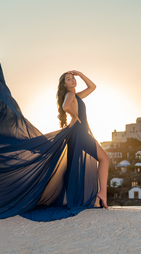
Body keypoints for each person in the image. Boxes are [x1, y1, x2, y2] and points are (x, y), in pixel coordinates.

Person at [57, 70, 109, 208]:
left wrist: (80, 74)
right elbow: (66, 106)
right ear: (63, 84)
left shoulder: (77, 96)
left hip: (78, 133)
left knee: (75, 167)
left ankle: (74, 199)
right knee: (104, 158)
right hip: (79, 132)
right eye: (68, 79)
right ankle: (102, 192)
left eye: (73, 78)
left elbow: (92, 87)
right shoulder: (70, 94)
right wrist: (74, 116)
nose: (73, 80)